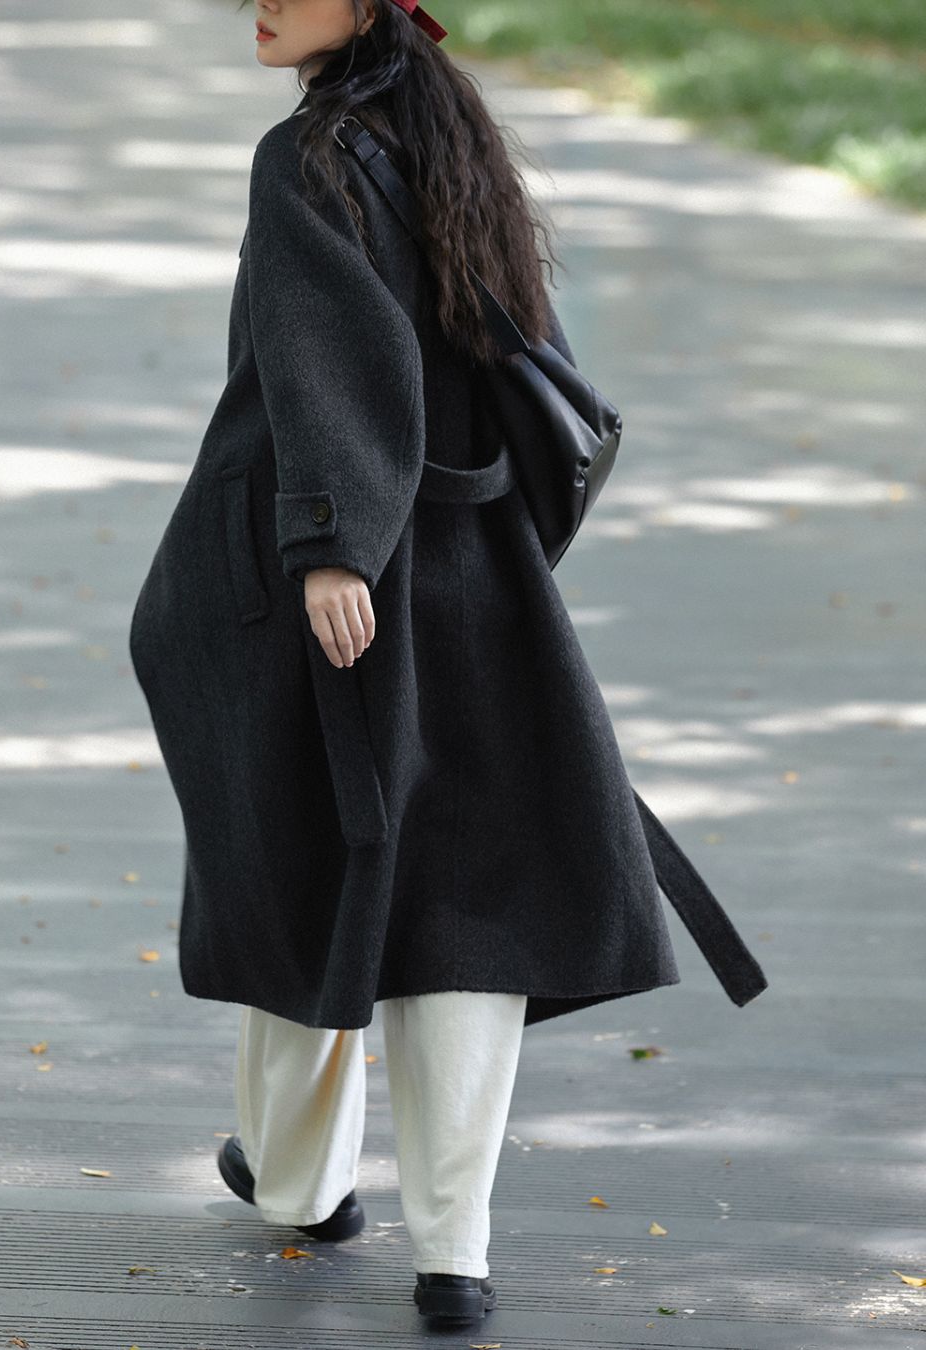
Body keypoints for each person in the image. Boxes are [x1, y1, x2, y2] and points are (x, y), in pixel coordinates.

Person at [128, 0, 768, 1326]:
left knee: (314, 875)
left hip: (347, 589)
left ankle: (299, 1182)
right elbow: (520, 358)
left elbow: (331, 357)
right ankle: (454, 1257)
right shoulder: (452, 133)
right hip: (479, 575)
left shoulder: (306, 155)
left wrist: (331, 546)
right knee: (466, 910)